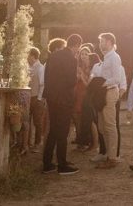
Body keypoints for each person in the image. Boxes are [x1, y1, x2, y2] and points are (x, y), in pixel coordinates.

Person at [42, 34, 81, 175]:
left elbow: (46, 76)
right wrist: (76, 77)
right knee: (63, 132)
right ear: (76, 45)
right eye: (78, 47)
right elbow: (71, 81)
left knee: (53, 130)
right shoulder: (72, 59)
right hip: (64, 99)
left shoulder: (53, 56)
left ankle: (47, 164)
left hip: (51, 97)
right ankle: (62, 165)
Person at [91, 33, 126, 169]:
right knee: (101, 125)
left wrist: (101, 83)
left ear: (110, 42)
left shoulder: (114, 57)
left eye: (103, 42)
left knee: (110, 125)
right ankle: (107, 154)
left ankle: (112, 158)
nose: (100, 44)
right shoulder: (106, 58)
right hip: (101, 93)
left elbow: (116, 78)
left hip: (110, 92)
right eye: (100, 42)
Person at [27, 47, 47, 154]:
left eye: (28, 55)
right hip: (29, 97)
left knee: (37, 122)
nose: (27, 58)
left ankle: (37, 143)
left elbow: (42, 84)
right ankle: (28, 143)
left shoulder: (40, 68)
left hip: (37, 98)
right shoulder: (28, 67)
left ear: (32, 56)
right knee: (27, 121)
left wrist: (39, 99)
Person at [73, 47, 92, 150]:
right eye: (82, 54)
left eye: (86, 54)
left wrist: (81, 75)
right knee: (76, 116)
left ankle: (86, 140)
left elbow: (89, 84)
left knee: (84, 117)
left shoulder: (91, 67)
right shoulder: (78, 66)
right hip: (77, 91)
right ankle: (79, 138)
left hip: (85, 93)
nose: (83, 56)